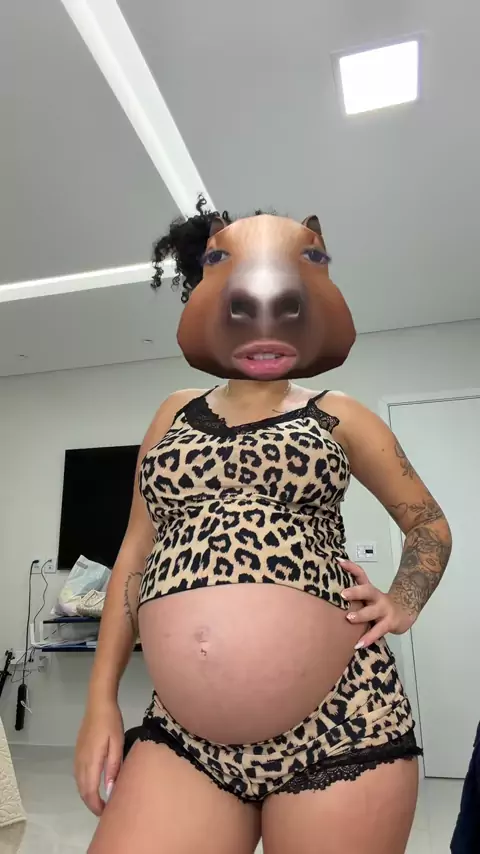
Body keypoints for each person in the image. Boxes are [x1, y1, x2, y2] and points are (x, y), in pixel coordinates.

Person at [75, 198, 452, 854]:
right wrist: (100, 700)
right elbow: (134, 554)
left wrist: (403, 601)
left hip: (340, 724)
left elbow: (429, 525)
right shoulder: (172, 413)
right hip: (183, 738)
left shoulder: (340, 413)